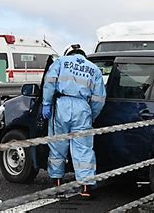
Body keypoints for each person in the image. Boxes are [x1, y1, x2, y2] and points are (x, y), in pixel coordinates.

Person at [42, 44, 106, 198]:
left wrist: (46, 103)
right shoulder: (93, 69)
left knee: (58, 145)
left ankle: (57, 183)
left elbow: (49, 83)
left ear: (68, 53)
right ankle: (85, 188)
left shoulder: (61, 62)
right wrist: (92, 114)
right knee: (83, 148)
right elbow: (99, 98)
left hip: (61, 105)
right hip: (83, 108)